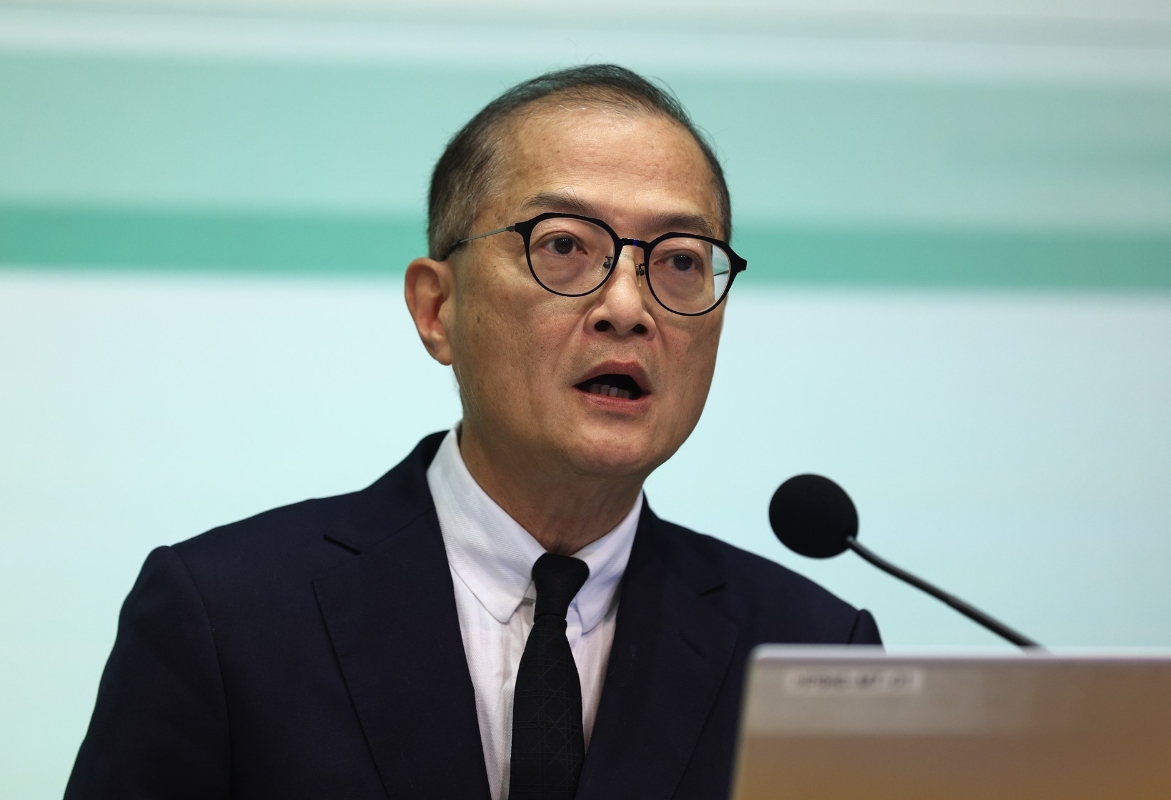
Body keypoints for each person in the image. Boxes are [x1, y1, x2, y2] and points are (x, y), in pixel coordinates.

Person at [66, 64, 880, 800]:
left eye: (679, 260)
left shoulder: (813, 652)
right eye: (563, 246)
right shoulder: (225, 616)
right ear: (436, 309)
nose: (627, 308)